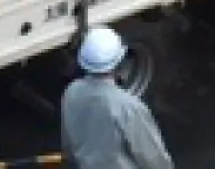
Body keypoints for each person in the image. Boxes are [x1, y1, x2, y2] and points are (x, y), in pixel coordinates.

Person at [59, 27, 173, 169]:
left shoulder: (72, 91)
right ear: (119, 61)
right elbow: (152, 157)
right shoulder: (128, 107)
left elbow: (69, 145)